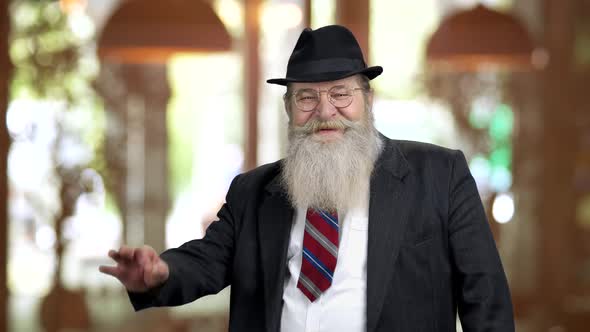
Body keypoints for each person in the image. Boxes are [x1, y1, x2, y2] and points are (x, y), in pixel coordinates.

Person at [99, 25, 514, 332]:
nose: (325, 110)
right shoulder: (254, 191)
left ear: (368, 101)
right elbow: (207, 261)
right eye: (307, 97)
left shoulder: (439, 176)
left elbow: (486, 300)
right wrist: (159, 273)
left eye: (340, 94)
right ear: (289, 109)